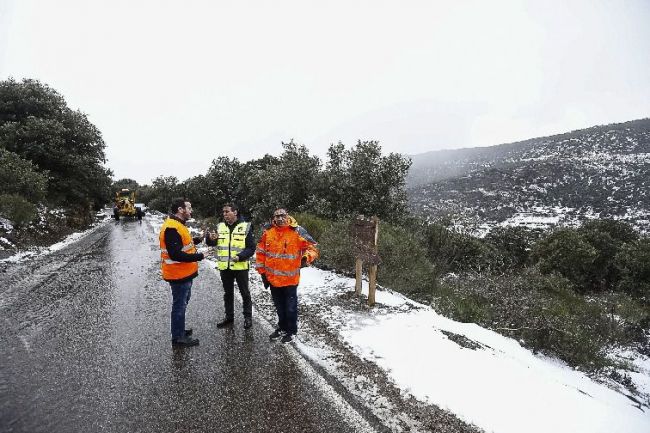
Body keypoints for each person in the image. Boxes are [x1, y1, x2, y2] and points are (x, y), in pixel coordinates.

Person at [255, 208, 318, 343]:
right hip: (273, 279)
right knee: (279, 306)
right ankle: (282, 328)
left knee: (290, 308)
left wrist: (306, 257)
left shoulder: (297, 231)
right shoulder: (268, 232)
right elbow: (260, 253)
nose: (279, 218)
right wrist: (262, 273)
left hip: (290, 279)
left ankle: (292, 331)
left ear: (287, 216)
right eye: (276, 216)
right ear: (273, 218)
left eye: (282, 215)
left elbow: (312, 247)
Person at [159, 197, 205, 347]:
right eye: (189, 208)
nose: (191, 211)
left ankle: (179, 331)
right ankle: (178, 338)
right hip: (178, 275)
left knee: (182, 304)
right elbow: (176, 254)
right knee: (179, 306)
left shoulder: (178, 224)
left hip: (183, 273)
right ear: (181, 210)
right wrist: (200, 256)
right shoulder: (172, 227)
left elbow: (183, 244)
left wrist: (198, 239)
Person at [206, 203, 255, 330]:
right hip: (224, 267)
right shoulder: (220, 226)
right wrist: (210, 239)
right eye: (223, 212)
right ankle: (229, 317)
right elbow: (212, 242)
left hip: (240, 266)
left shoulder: (245, 227)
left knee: (245, 293)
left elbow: (251, 248)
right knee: (228, 294)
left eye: (227, 211)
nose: (224, 214)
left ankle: (248, 317)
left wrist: (240, 256)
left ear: (235, 212)